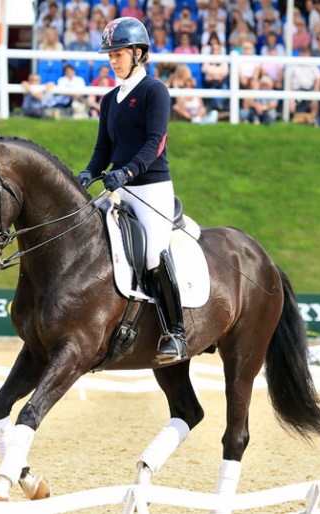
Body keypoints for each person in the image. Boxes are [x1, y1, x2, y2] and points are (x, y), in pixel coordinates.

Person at [77, 17, 189, 362]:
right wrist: (88, 172)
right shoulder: (109, 99)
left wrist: (126, 171)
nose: (113, 60)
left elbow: (156, 142)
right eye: (110, 54)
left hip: (150, 187)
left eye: (119, 53)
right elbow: (102, 149)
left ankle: (175, 332)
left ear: (139, 53)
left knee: (153, 254)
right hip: (119, 187)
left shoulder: (154, 91)